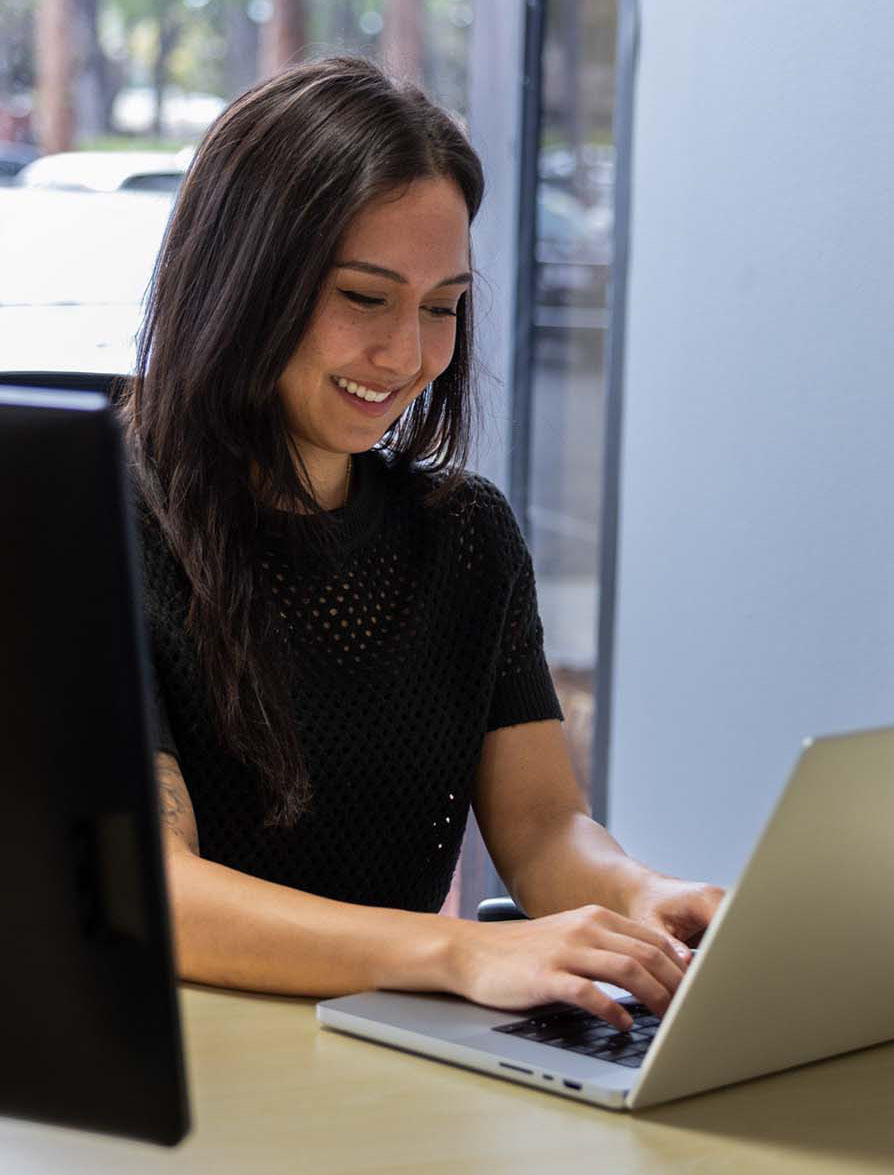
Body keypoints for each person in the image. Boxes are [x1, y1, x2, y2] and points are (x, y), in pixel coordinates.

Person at [121, 56, 723, 1033]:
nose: (408, 355)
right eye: (364, 298)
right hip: (184, 1076)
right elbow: (157, 892)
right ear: (243, 280)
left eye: (441, 306)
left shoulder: (465, 535)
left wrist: (638, 900)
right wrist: (460, 949)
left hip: (385, 1060)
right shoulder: (94, 525)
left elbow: (539, 828)